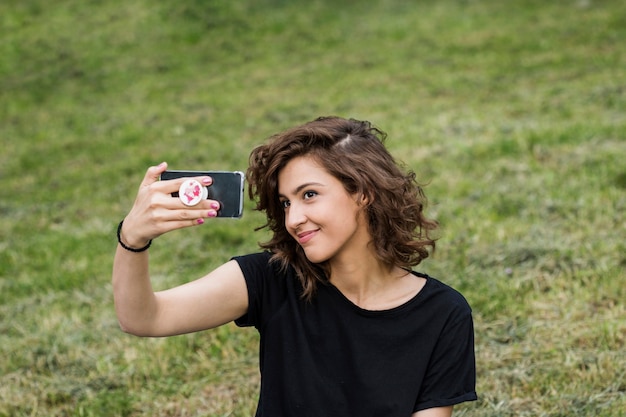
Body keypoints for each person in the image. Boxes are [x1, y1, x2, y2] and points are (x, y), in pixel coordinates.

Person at [113, 116, 477, 417]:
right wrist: (133, 238)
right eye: (286, 203)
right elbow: (144, 318)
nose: (294, 218)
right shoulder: (271, 279)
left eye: (309, 195)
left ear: (362, 192)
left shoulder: (443, 313)